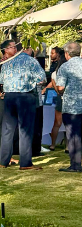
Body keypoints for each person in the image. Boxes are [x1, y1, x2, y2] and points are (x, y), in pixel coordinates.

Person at [0, 39, 46, 170]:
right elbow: (42, 79)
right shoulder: (31, 61)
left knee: (7, 129)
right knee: (25, 130)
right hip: (25, 95)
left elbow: (1, 80)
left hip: (9, 96)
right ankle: (25, 163)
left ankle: (4, 160)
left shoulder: (8, 61)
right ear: (29, 48)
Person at [55, 41, 82, 173]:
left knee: (73, 136)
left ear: (66, 54)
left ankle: (75, 165)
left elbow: (60, 88)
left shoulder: (65, 67)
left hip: (72, 106)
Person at [45, 45, 67, 150]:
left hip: (59, 97)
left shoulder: (54, 73)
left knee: (57, 123)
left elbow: (55, 87)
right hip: (70, 99)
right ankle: (68, 146)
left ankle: (52, 144)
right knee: (69, 123)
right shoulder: (69, 72)